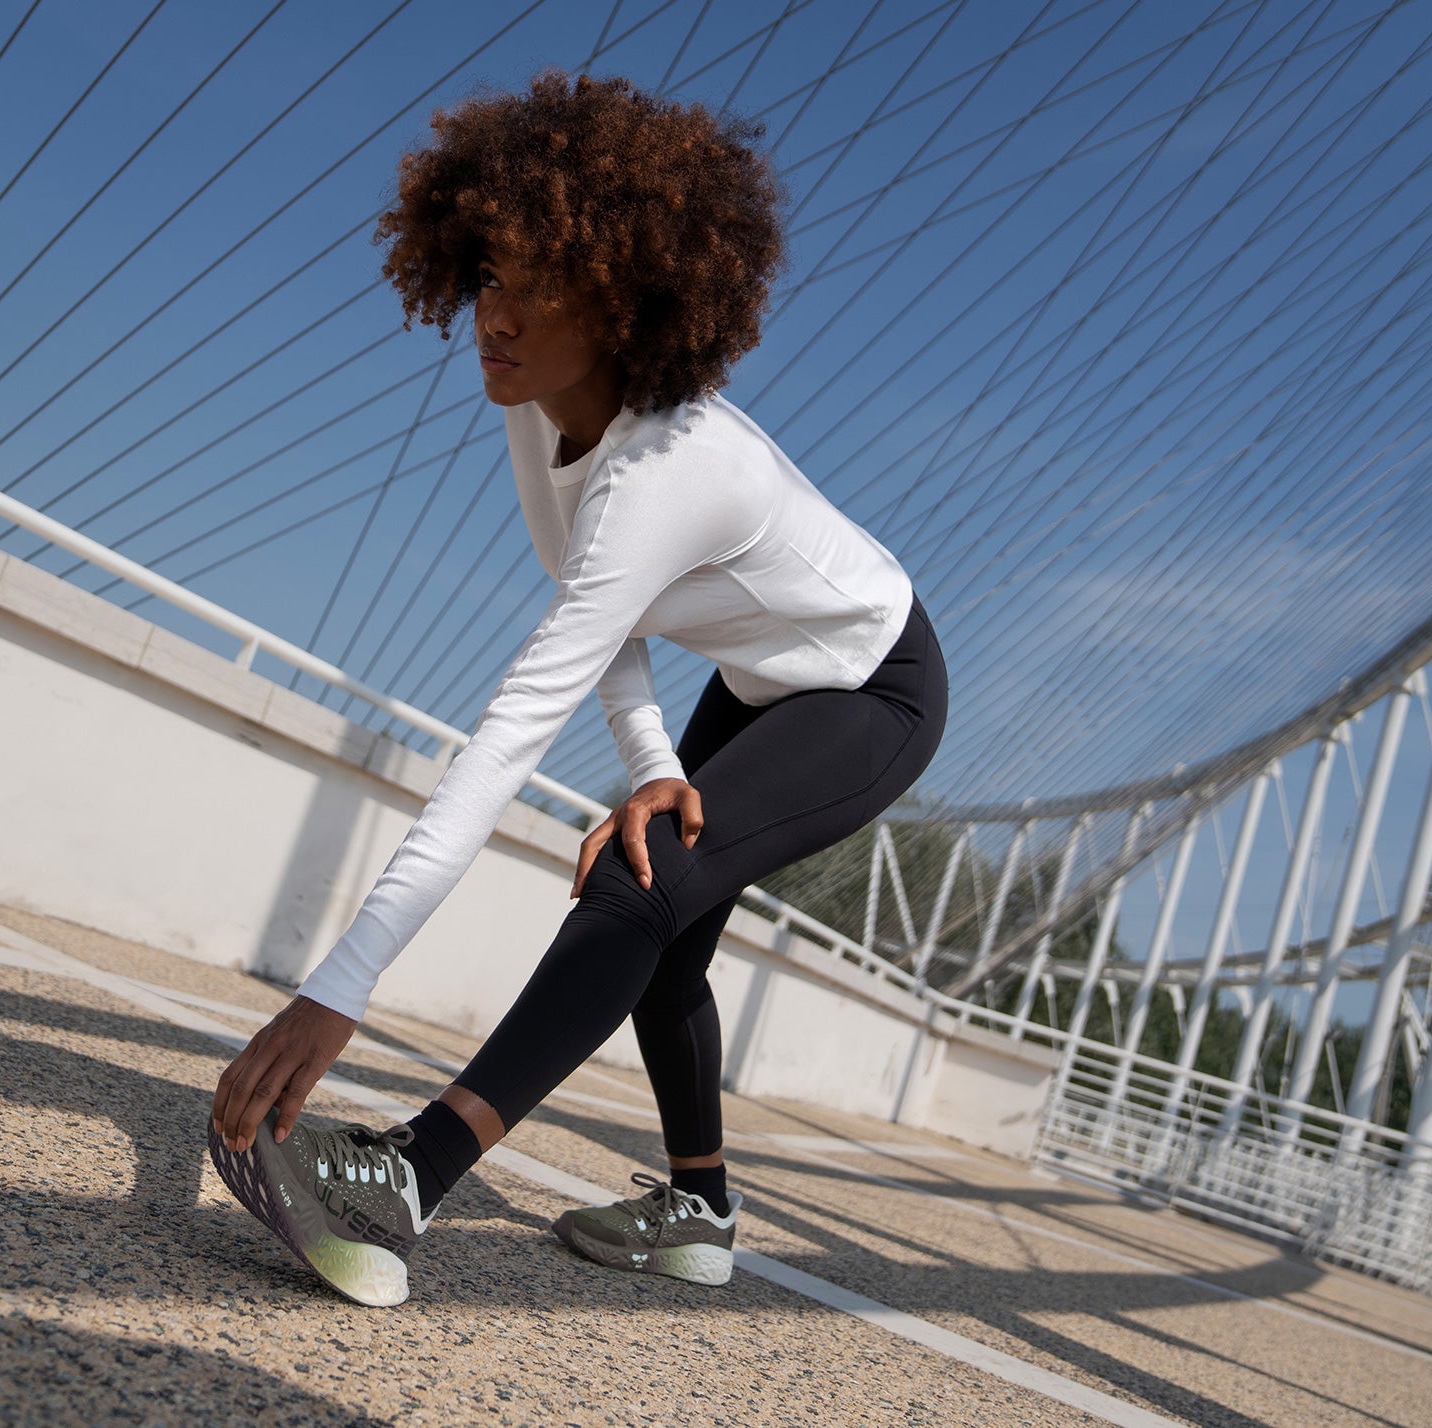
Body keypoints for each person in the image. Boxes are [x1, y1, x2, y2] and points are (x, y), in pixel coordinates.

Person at [207, 70, 947, 1307]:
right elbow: (595, 608)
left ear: (620, 301)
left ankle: (408, 1178)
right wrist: (654, 763)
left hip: (874, 686)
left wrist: (337, 989)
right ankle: (698, 1207)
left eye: (538, 290)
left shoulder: (670, 468)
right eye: (488, 275)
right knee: (668, 931)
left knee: (636, 883)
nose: (494, 316)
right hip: (761, 679)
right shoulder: (537, 405)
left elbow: (509, 734)